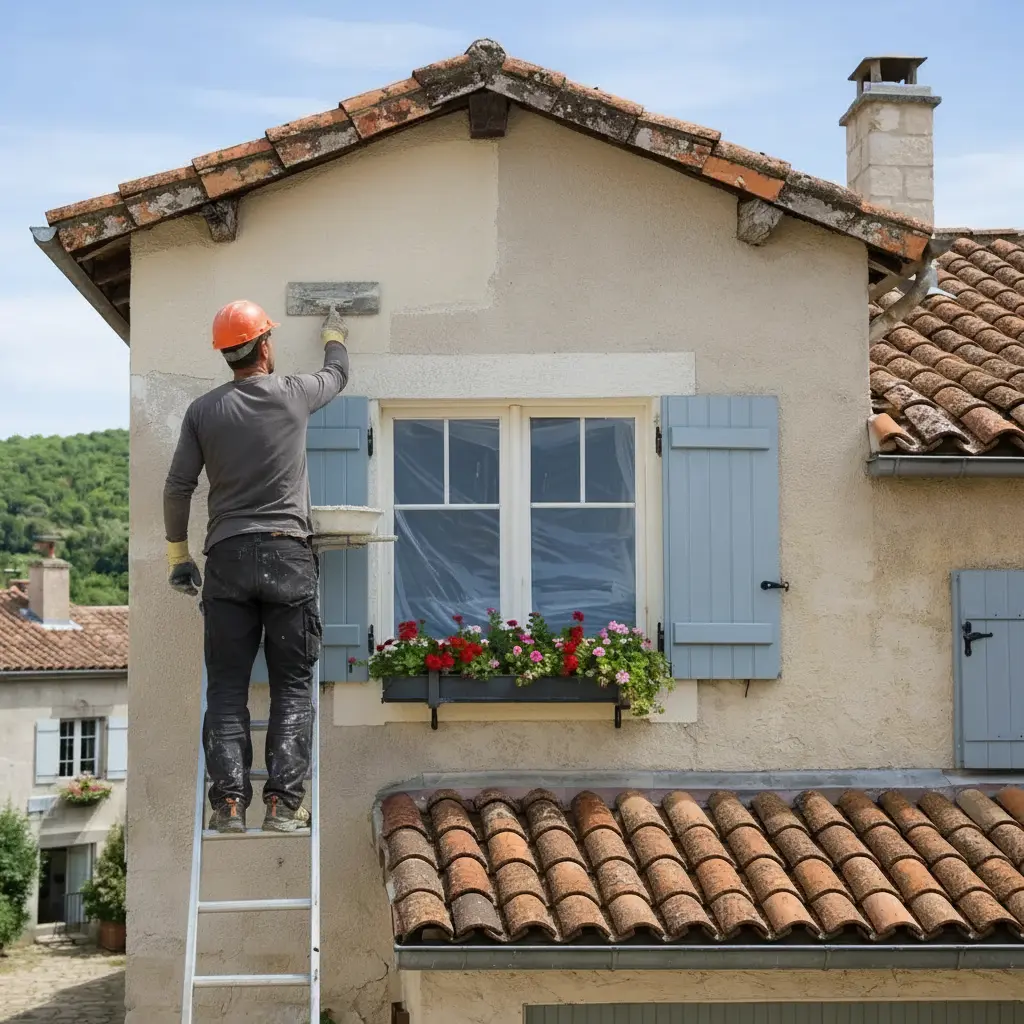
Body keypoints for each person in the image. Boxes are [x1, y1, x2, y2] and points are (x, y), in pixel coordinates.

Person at [163, 300, 350, 833]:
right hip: (288, 556)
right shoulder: (293, 394)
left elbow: (179, 487)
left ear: (227, 355)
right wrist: (333, 330)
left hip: (226, 559)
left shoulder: (203, 412)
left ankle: (228, 807)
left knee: (226, 688)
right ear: (265, 346)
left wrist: (179, 557)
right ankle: (283, 806)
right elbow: (337, 373)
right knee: (292, 685)